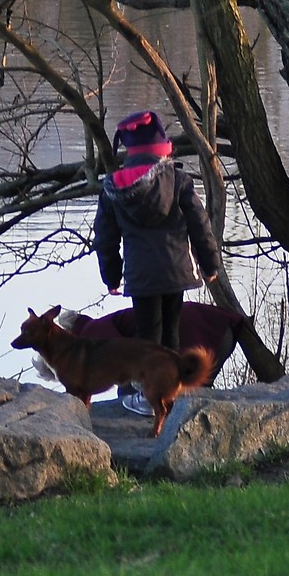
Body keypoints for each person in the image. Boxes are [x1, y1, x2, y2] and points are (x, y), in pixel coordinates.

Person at [92, 110, 220, 414]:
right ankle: (168, 395)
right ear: (162, 149)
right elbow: (200, 225)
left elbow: (105, 238)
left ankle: (151, 399)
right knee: (170, 333)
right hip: (175, 270)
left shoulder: (113, 188)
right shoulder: (179, 180)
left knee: (147, 337)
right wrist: (210, 264)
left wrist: (111, 276)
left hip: (141, 276)